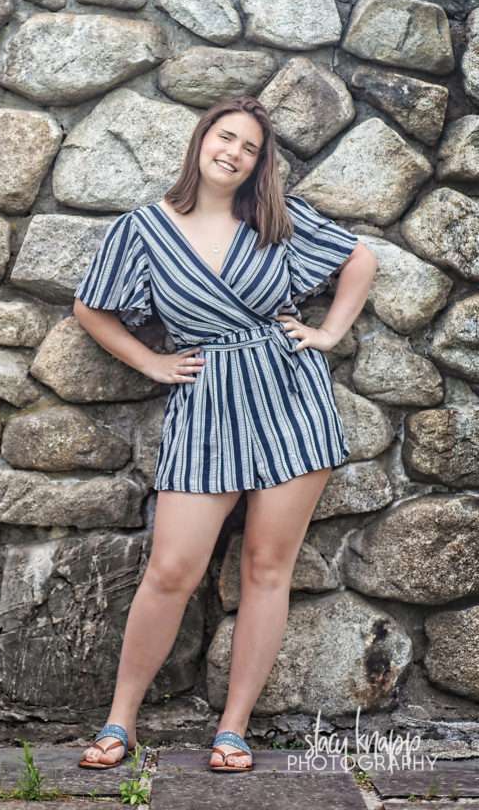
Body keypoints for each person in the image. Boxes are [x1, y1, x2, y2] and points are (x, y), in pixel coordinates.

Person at [71, 95, 378, 772]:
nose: (233, 153)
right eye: (225, 137)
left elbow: (358, 261)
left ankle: (232, 729)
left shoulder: (274, 219)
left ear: (256, 165)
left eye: (249, 149)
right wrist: (150, 361)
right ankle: (120, 722)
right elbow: (90, 308)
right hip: (204, 402)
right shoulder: (142, 230)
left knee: (266, 570)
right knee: (170, 570)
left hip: (287, 397)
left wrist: (327, 333)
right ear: (201, 139)